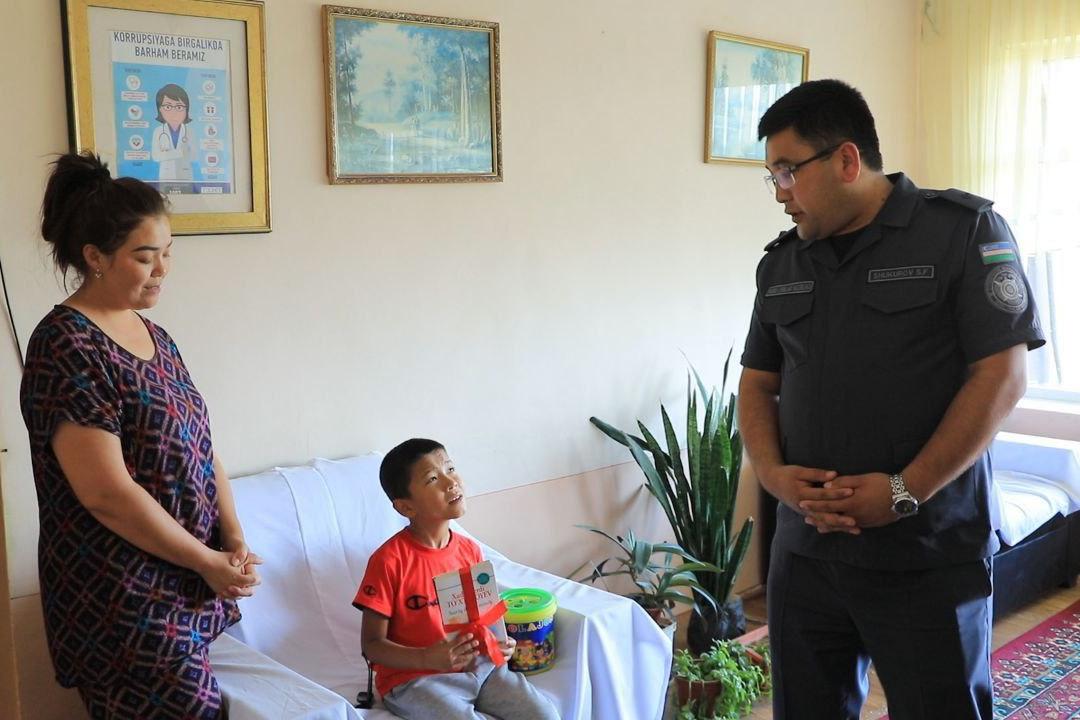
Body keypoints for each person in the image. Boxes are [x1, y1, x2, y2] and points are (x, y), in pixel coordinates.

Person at [738, 79, 1044, 720]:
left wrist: (906, 489)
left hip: (925, 552)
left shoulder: (963, 231)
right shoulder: (783, 263)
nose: (781, 192)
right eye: (772, 177)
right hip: (807, 554)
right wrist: (771, 474)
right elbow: (759, 383)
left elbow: (1002, 376)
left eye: (788, 171)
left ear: (847, 160)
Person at [20, 152, 261, 719]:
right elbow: (105, 493)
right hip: (123, 601)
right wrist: (204, 559)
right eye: (144, 256)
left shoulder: (157, 337)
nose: (162, 269)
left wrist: (232, 538)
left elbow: (200, 447)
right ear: (95, 258)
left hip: (183, 585)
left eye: (168, 252)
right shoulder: (67, 344)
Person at [354, 438, 559, 720]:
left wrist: (500, 643)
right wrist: (426, 658)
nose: (451, 482)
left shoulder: (469, 550)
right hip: (417, 680)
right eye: (432, 479)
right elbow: (372, 646)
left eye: (450, 469)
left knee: (545, 715)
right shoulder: (388, 561)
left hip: (481, 668)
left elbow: (482, 616)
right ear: (406, 507)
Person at [151, 83, 196, 182]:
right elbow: (156, 156)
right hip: (166, 177)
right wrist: (180, 152)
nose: (174, 112)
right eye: (168, 107)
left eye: (179, 107)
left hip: (185, 176)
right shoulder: (158, 131)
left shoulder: (190, 132)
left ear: (186, 109)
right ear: (160, 109)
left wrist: (167, 154)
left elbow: (194, 156)